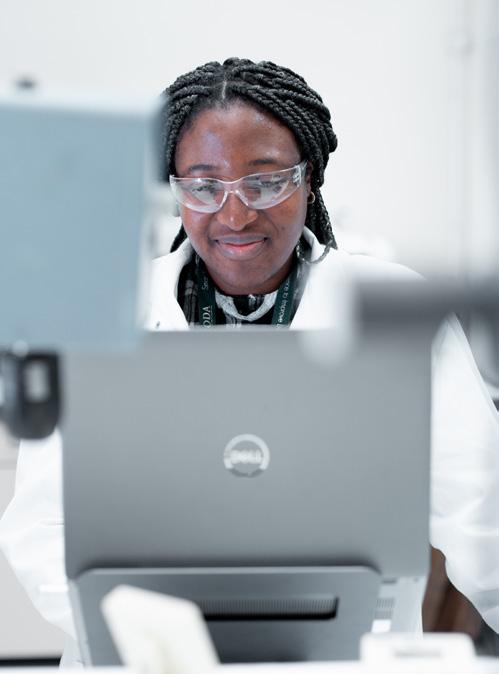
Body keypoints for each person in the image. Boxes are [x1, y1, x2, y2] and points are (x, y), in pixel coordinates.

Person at [1, 58, 499, 667]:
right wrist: (158, 638)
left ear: (309, 180)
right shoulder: (99, 313)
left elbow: (484, 516)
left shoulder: (395, 313)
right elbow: (41, 527)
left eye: (265, 183)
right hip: (142, 659)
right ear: (175, 191)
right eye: (204, 187)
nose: (235, 215)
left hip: (340, 660)